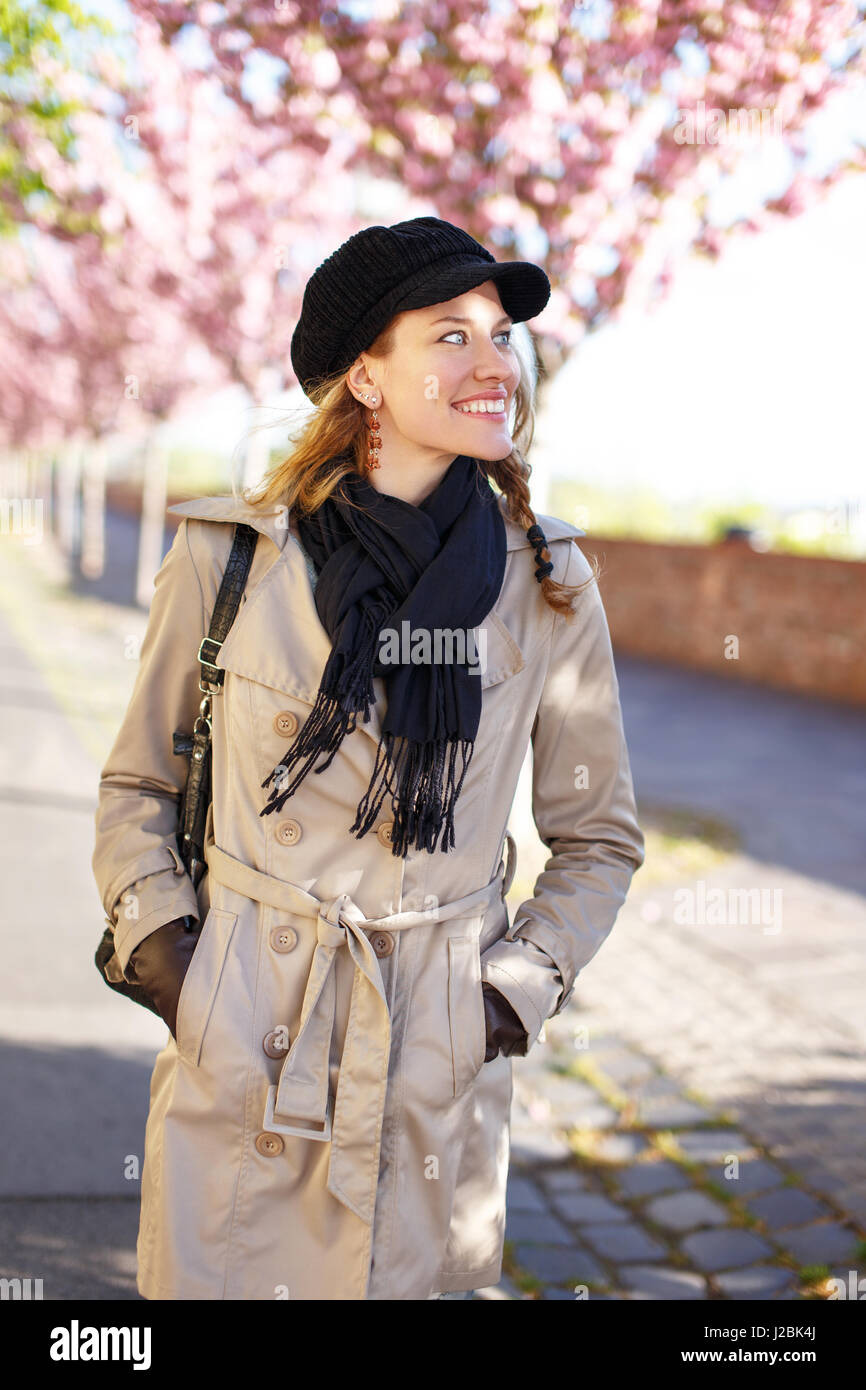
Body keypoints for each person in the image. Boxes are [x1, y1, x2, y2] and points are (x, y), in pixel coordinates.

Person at [92, 215, 645, 1301]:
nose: (495, 365)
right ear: (364, 377)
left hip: (428, 1065)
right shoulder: (230, 557)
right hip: (251, 1035)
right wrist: (176, 967)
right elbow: (137, 786)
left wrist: (498, 1001)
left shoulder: (549, 583)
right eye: (451, 336)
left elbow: (597, 838)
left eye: (500, 336)